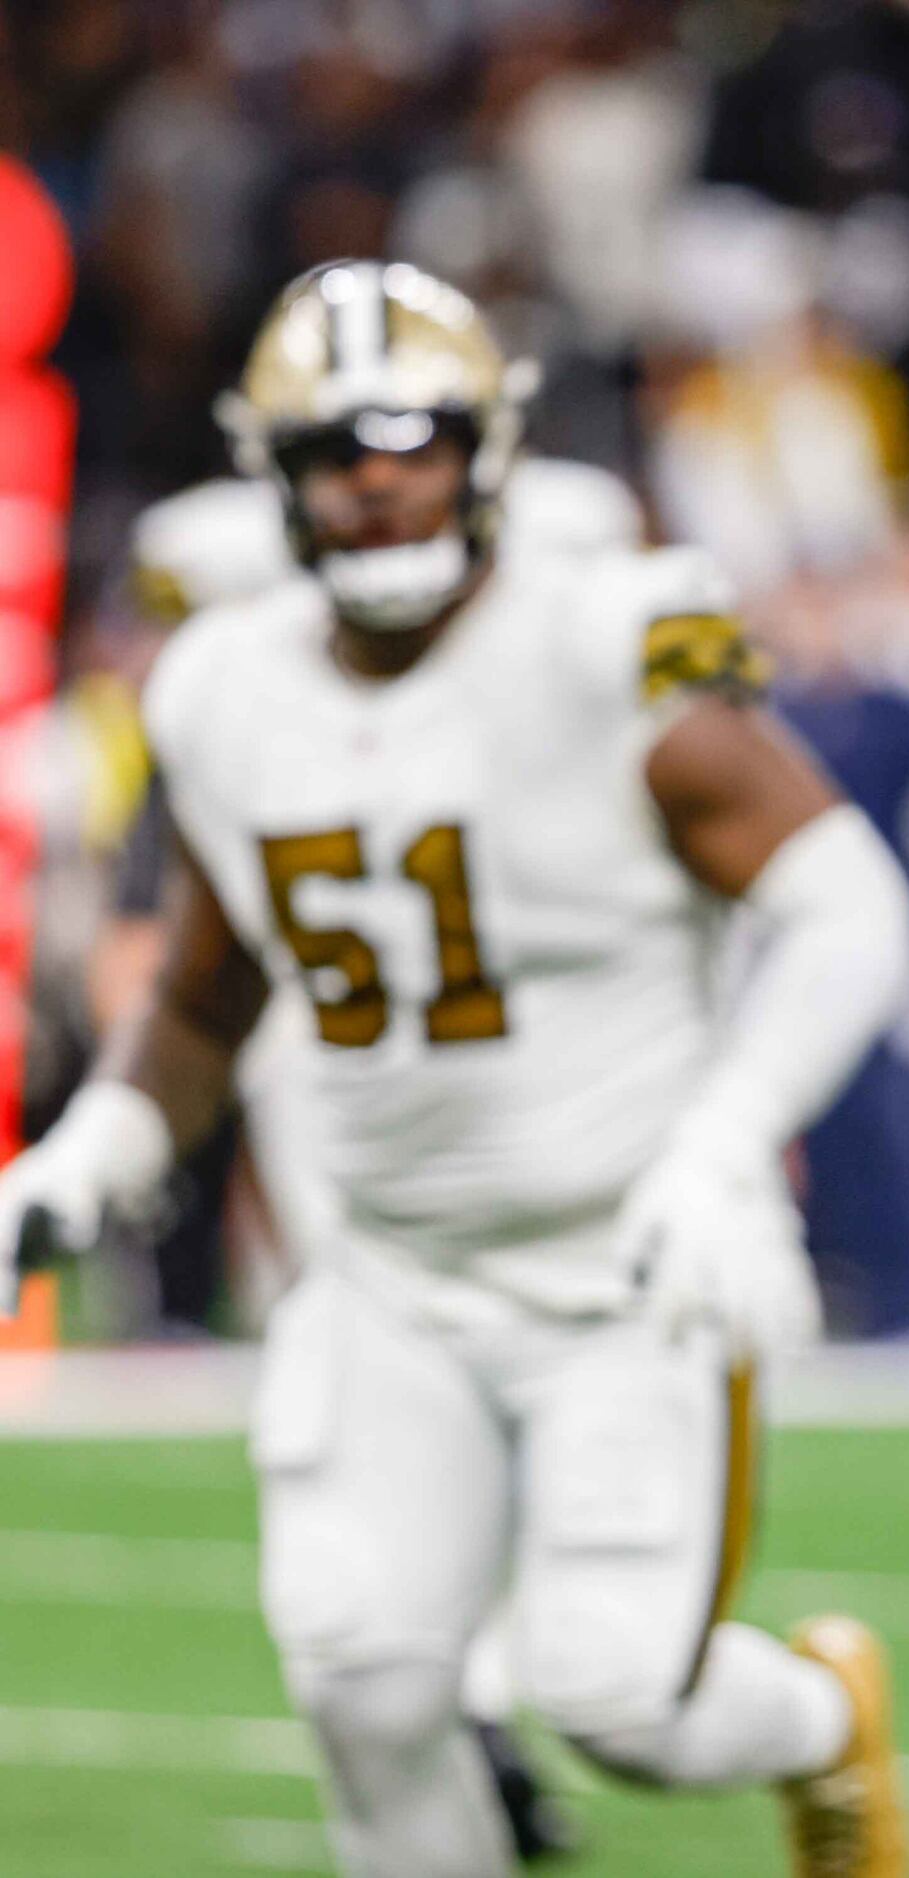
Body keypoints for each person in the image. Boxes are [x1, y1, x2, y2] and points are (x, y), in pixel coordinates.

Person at [0, 261, 909, 1878]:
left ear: (487, 446)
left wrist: (726, 1142)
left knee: (617, 1699)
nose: (375, 477)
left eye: (412, 436)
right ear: (272, 472)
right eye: (335, 446)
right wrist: (102, 1140)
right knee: (365, 1685)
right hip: (386, 1274)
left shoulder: (607, 641)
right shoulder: (222, 684)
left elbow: (847, 902)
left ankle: (817, 1718)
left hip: (617, 1261)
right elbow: (213, 991)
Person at [124, 446, 656, 1862]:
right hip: (337, 1038)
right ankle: (461, 1685)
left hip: (514, 1034)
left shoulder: (554, 582)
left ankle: (506, 1670)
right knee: (365, 1345)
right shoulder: (247, 638)